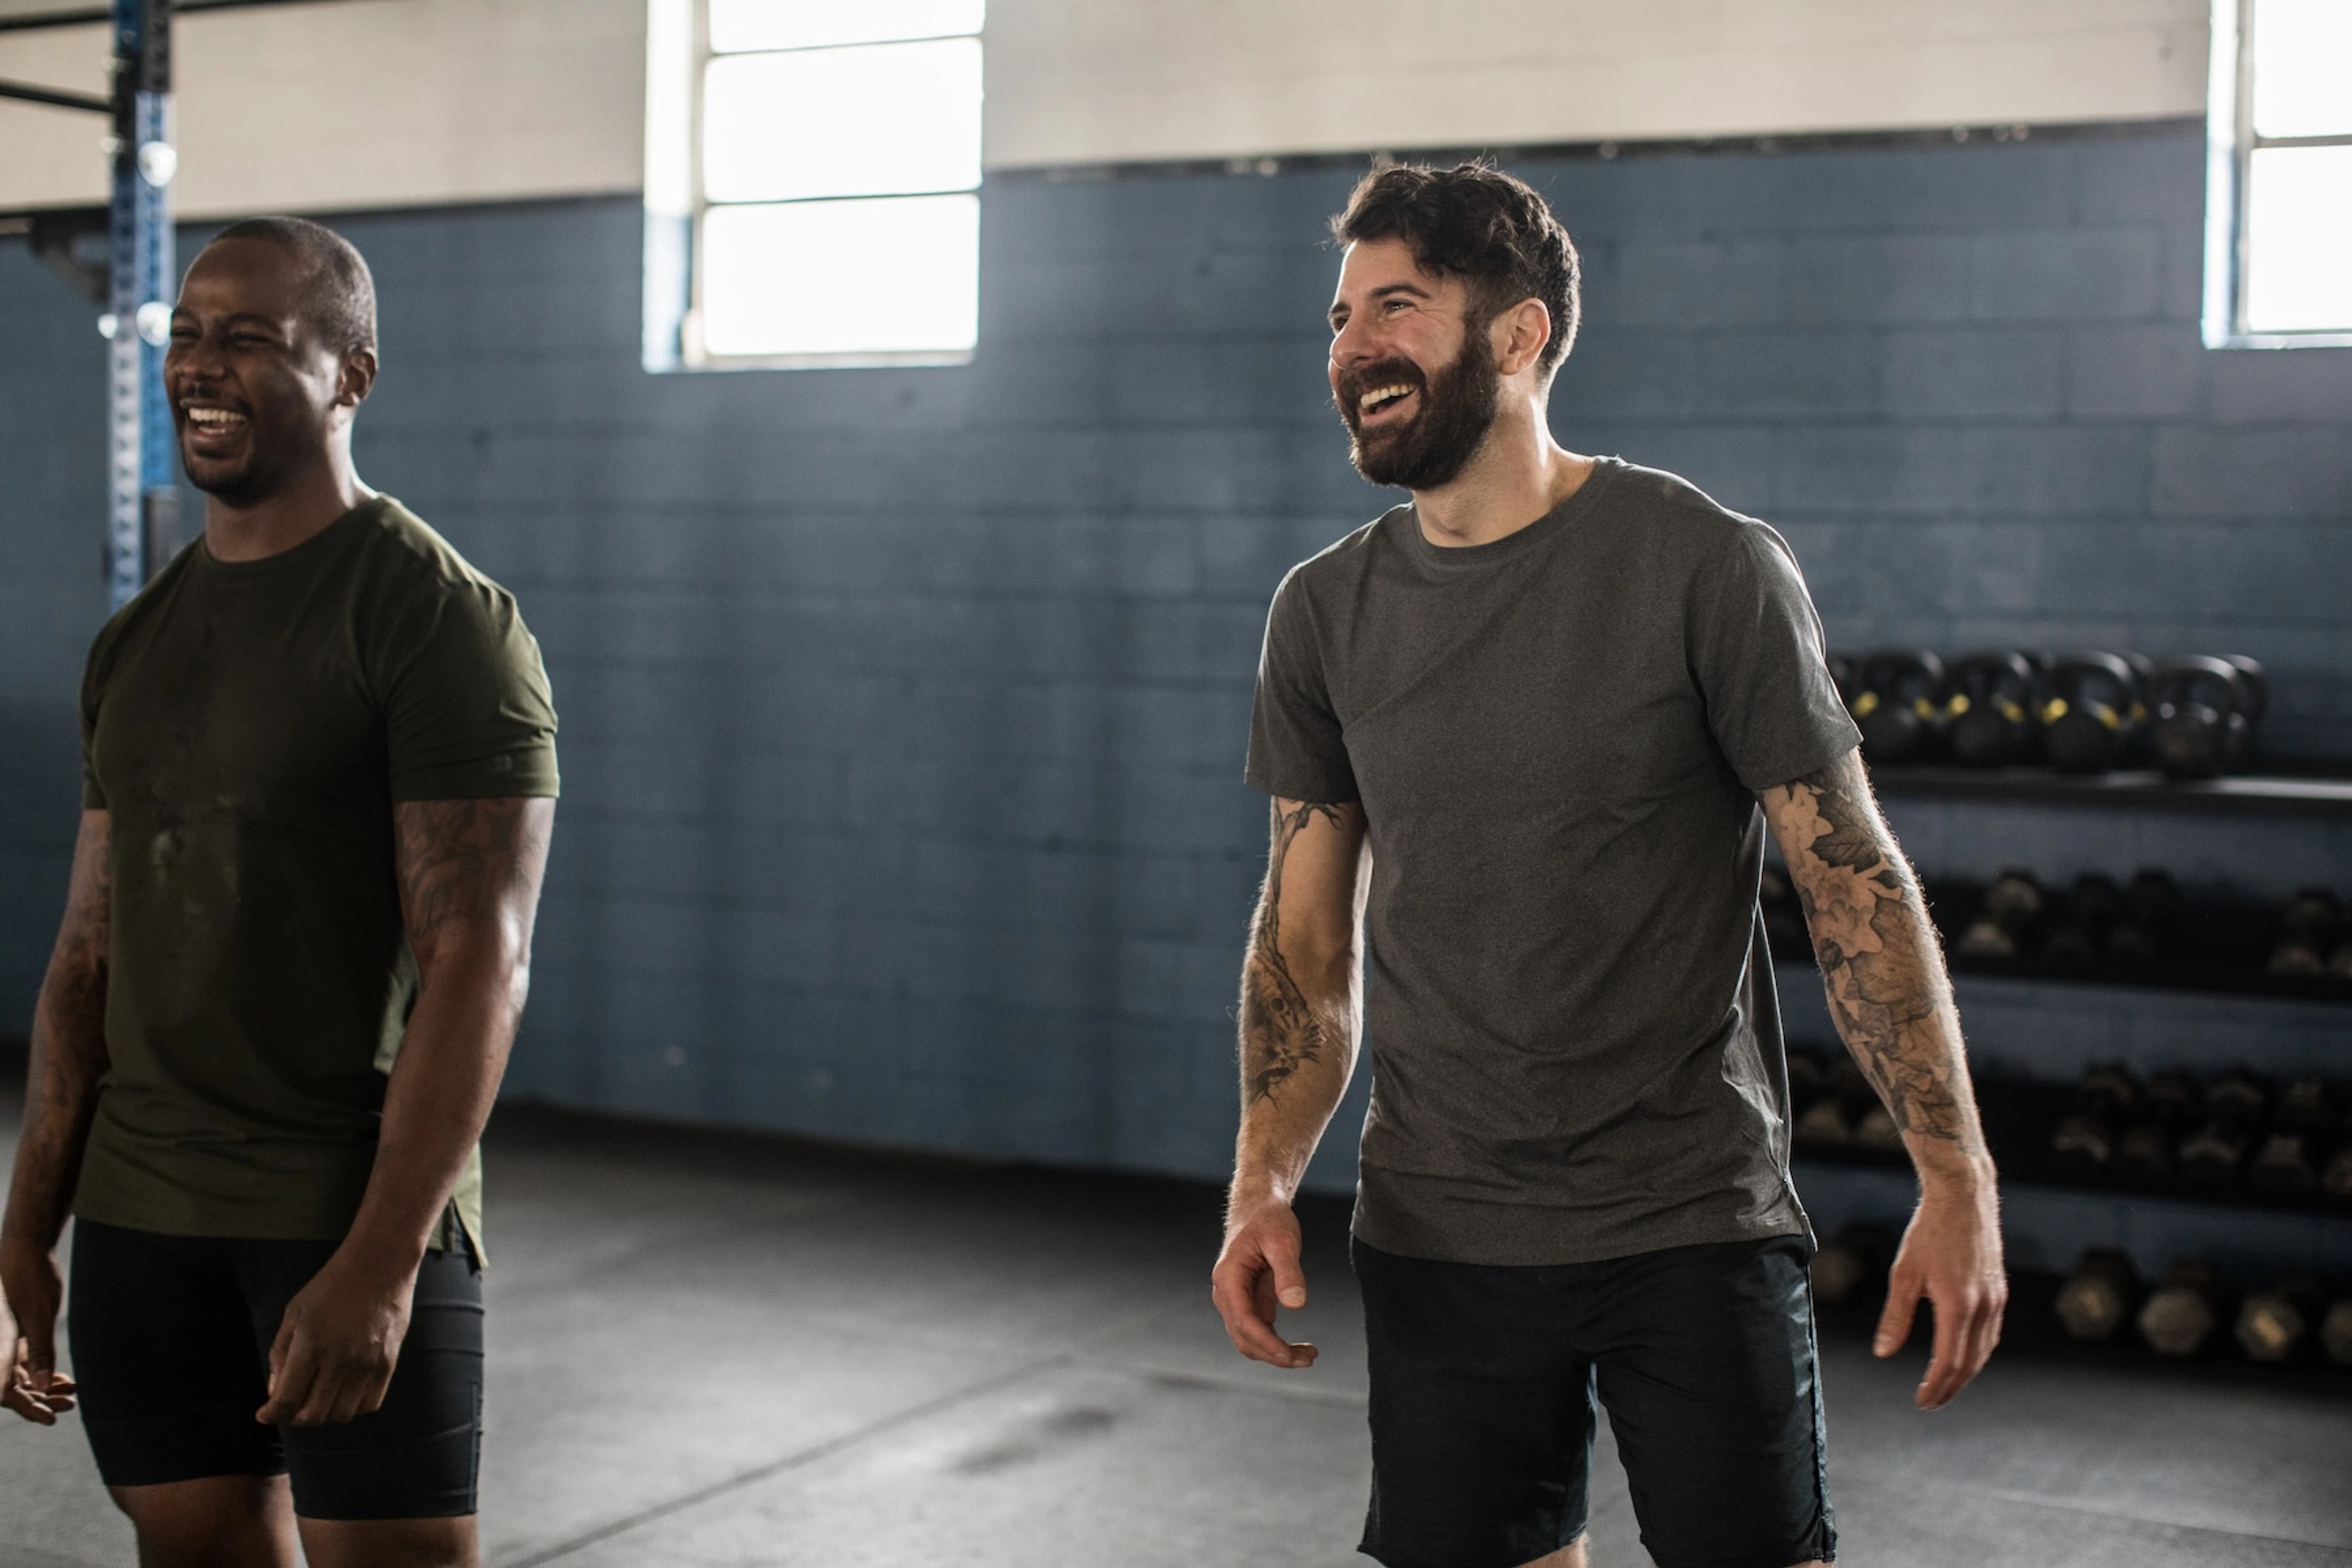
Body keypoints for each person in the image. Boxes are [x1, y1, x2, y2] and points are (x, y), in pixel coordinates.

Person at [1210, 163, 2006, 1568]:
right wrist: (1262, 1180)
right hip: (1441, 1225)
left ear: (1518, 335)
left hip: (1689, 1218)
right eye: (1340, 316)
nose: (1351, 346)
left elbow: (1853, 884)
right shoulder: (1324, 611)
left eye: (1397, 307)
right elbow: (1307, 941)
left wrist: (1958, 1173)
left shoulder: (1705, 565)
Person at [0, 216, 558, 1568]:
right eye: (188, 334)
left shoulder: (436, 618)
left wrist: (380, 1261)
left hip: (340, 1206)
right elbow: (89, 954)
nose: (201, 365)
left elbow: (480, 957)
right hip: (144, 1210)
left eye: (250, 339)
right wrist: (27, 1224)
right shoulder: (135, 643)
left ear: (351, 374)